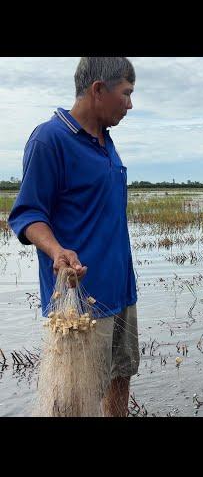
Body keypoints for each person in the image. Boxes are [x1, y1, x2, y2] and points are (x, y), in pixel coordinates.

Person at [8, 57, 138, 417]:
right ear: (98, 89)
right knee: (72, 402)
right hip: (80, 301)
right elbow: (27, 214)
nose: (130, 104)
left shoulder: (105, 141)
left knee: (120, 376)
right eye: (126, 94)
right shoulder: (50, 140)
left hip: (122, 290)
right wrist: (55, 249)